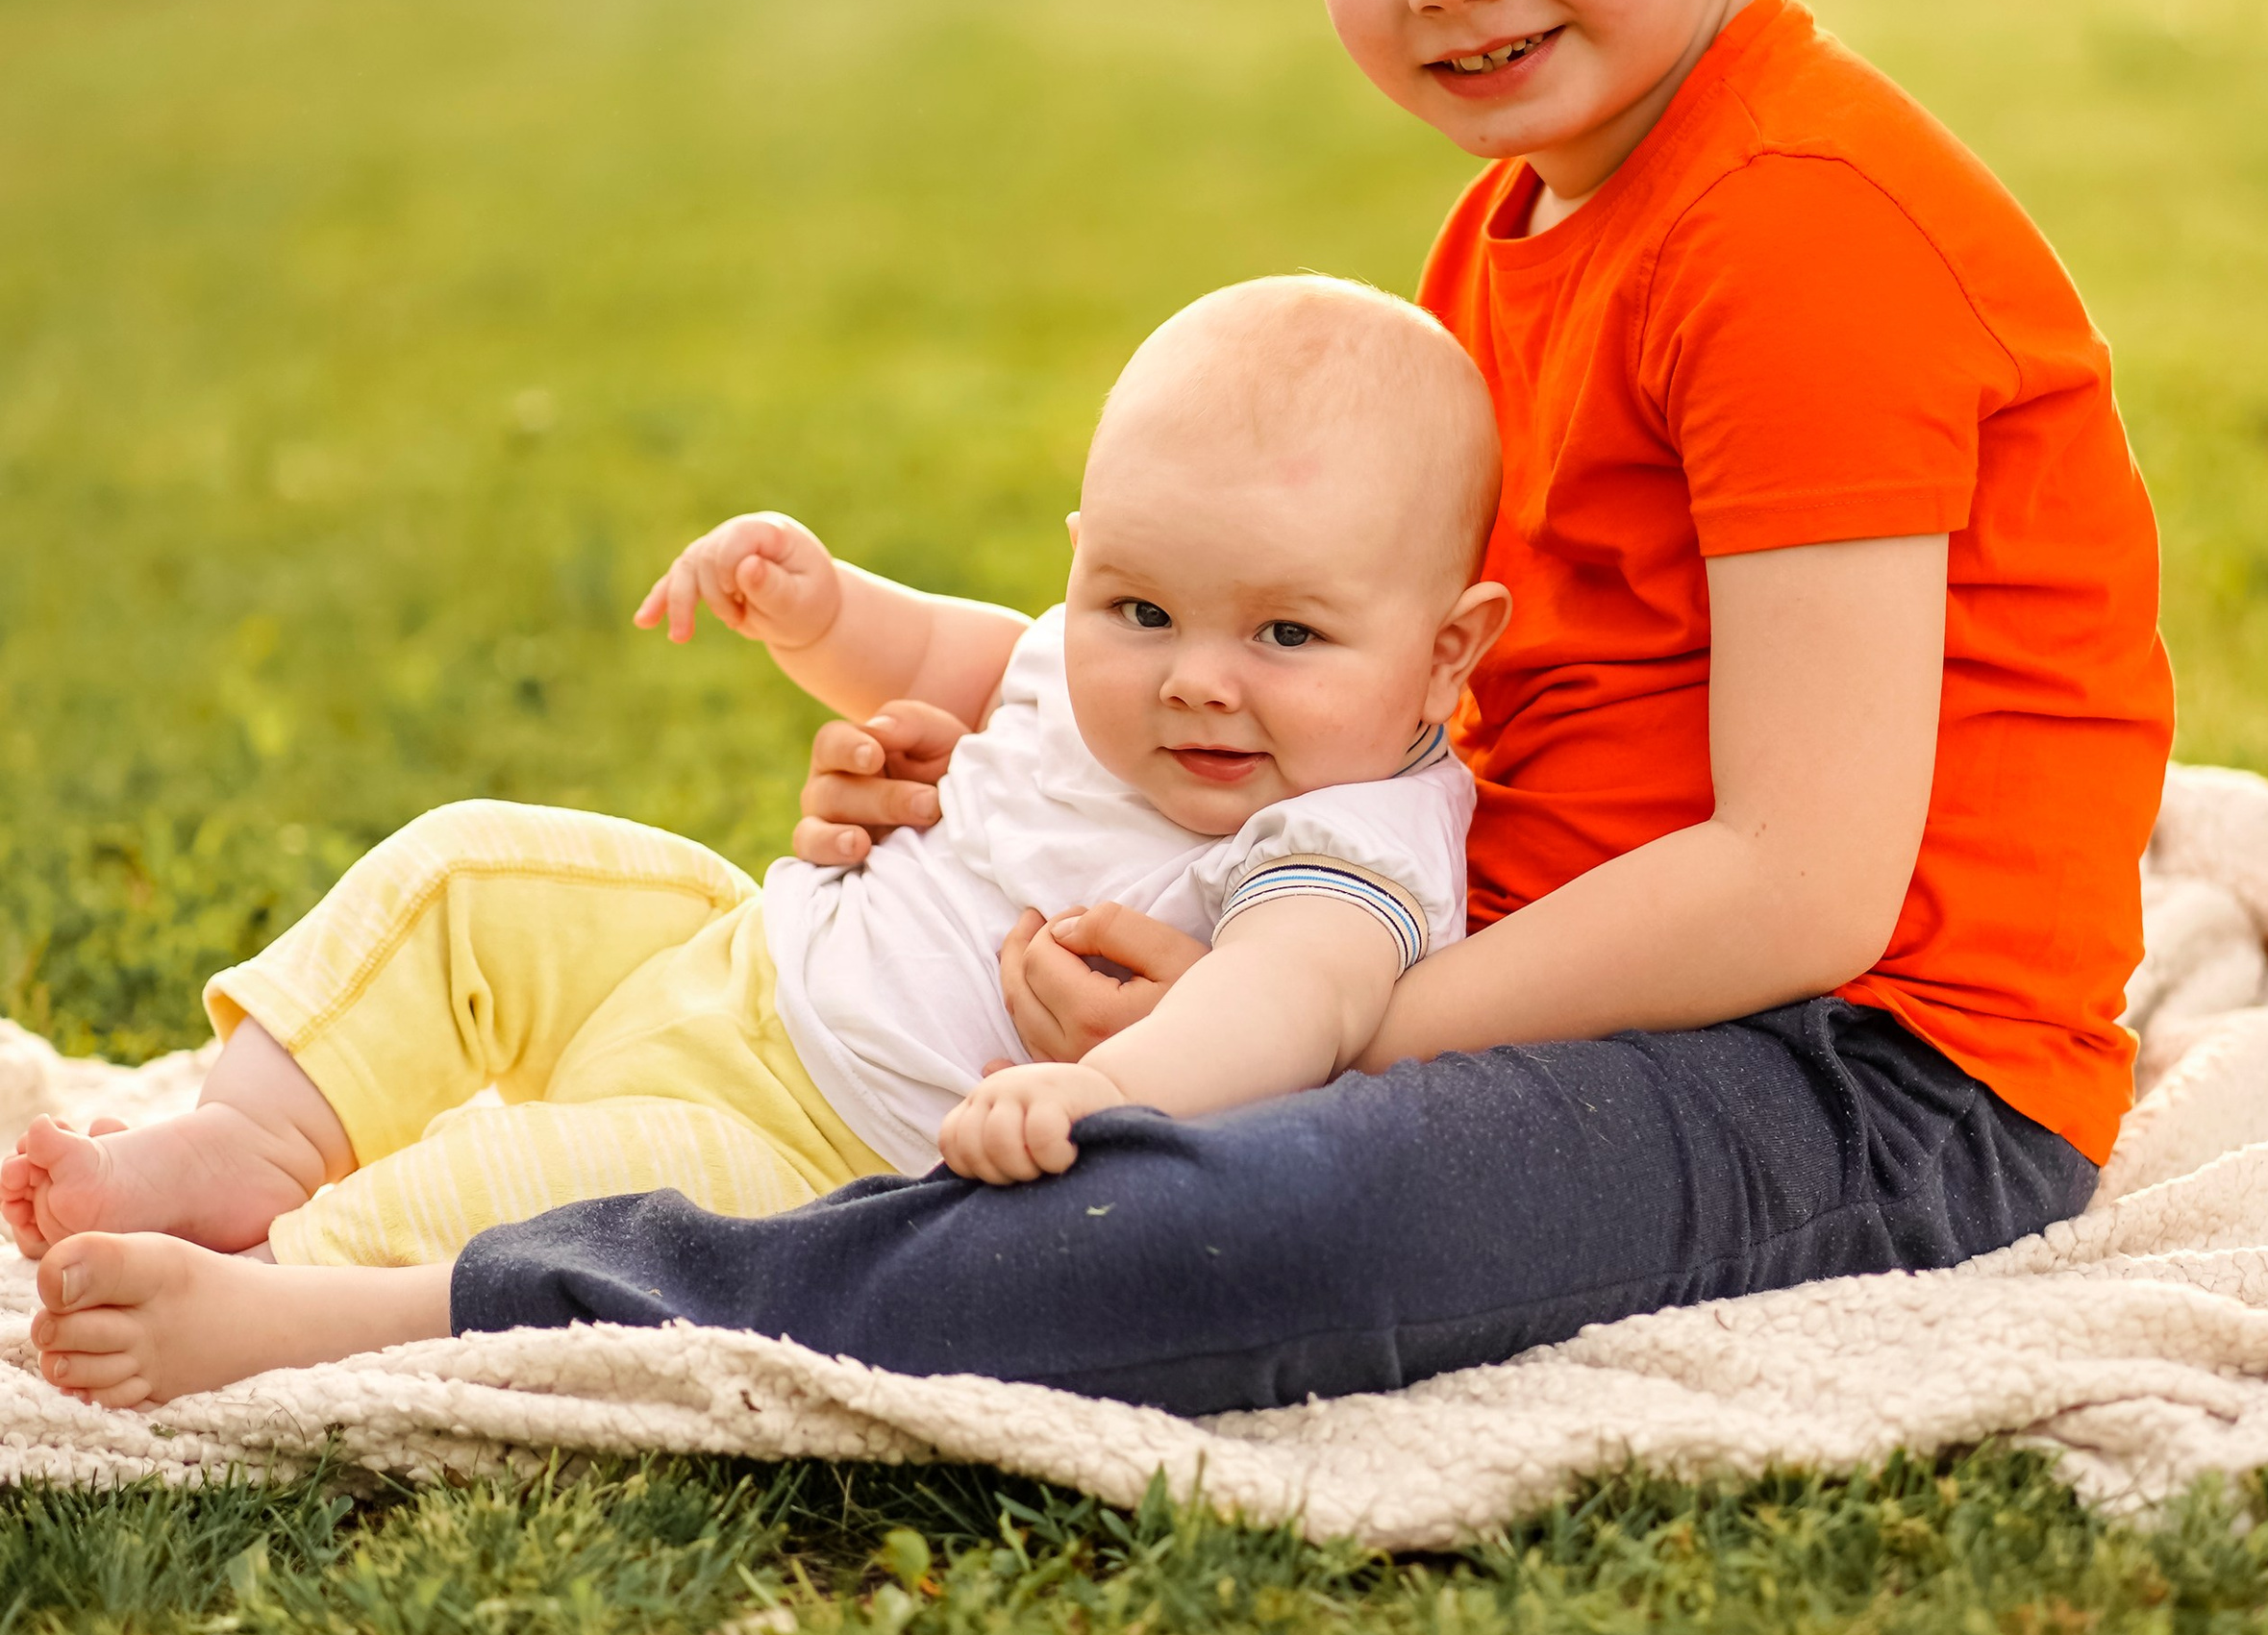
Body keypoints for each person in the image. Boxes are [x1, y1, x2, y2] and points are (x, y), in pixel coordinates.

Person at [31, 0, 2172, 1421]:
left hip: (1866, 1064)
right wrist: (1039, 783)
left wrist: (1320, 1024)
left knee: (1229, 1219)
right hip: (1493, 962)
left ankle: (446, 1303)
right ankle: (477, 1156)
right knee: (1080, 1104)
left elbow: (1801, 882)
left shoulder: (1800, 231)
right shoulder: (1508, 228)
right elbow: (1417, 697)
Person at [13, 280, 1504, 1400]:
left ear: (1448, 652)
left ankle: (271, 1290)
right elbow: (950, 654)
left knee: (544, 1186)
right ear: (1088, 564)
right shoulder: (1094, 650)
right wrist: (822, 609)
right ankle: (250, 1139)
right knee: (469, 872)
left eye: (1288, 634)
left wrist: (1104, 1090)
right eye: (1142, 608)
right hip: (729, 954)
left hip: (810, 1147)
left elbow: (1289, 999)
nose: (1196, 677)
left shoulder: (1351, 832)